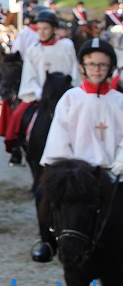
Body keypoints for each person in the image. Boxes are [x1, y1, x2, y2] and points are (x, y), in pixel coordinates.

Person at [32, 38, 123, 262]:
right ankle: (47, 241)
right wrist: (66, 169)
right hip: (77, 173)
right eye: (92, 64)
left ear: (110, 67)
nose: (97, 70)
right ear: (82, 66)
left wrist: (119, 165)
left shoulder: (120, 101)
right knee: (42, 193)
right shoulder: (70, 99)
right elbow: (60, 135)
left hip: (114, 170)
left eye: (102, 65)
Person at [4, 9, 81, 165]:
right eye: (39, 29)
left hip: (65, 94)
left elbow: (73, 70)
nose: (42, 32)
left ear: (53, 29)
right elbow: (29, 74)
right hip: (39, 95)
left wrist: (71, 90)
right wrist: (37, 90)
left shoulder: (66, 45)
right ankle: (16, 148)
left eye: (45, 28)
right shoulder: (33, 50)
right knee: (19, 115)